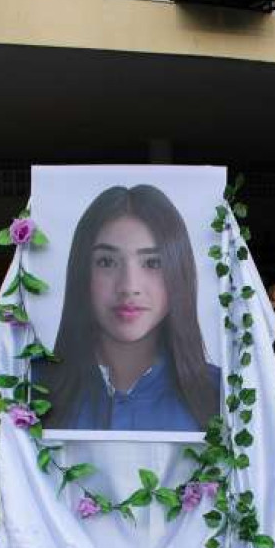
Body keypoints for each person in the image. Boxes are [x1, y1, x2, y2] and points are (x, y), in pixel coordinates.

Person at [34, 184, 221, 432]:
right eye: (107, 262)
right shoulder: (33, 387)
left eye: (153, 262)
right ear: (81, 271)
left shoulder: (220, 393)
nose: (129, 287)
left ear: (179, 271)